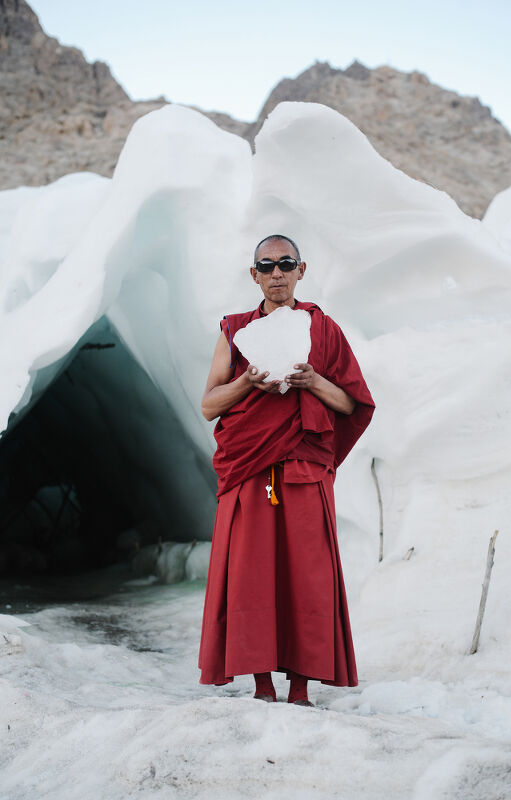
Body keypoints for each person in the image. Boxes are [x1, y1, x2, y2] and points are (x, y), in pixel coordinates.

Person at [198, 234, 375, 707]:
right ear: (253, 275)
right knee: (251, 574)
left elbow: (352, 403)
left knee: (307, 576)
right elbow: (210, 404)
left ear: (301, 270)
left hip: (303, 469)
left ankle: (300, 688)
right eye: (267, 266)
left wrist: (314, 382)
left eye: (285, 263)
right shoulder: (235, 330)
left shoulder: (325, 330)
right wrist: (246, 383)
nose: (276, 273)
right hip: (249, 470)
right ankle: (261, 684)